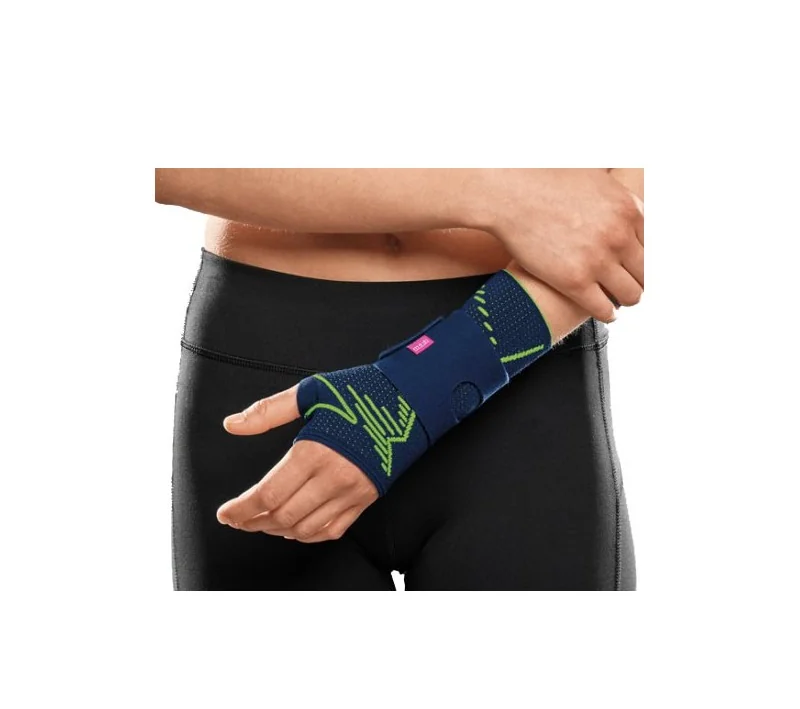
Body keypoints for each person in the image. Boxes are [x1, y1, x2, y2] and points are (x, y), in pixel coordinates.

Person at [157, 168, 644, 590]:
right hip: (269, 359)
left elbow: (625, 202)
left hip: (523, 355)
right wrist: (494, 190)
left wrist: (428, 379)